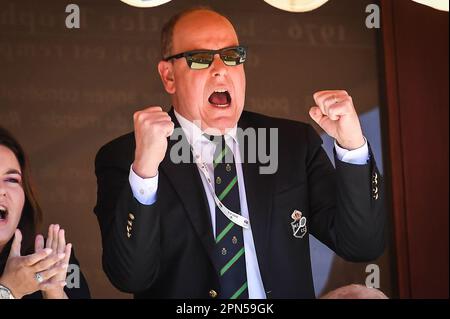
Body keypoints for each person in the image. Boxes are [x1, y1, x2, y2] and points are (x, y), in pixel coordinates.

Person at [94, 8, 385, 299]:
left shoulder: (292, 143)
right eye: (201, 58)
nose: (220, 68)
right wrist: (145, 170)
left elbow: (362, 245)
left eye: (232, 55)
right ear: (168, 76)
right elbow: (129, 276)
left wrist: (352, 147)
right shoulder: (125, 158)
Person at [0, 127, 90, 299]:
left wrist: (55, 294)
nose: (1, 189)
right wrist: (8, 291)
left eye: (12, 179)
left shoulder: (53, 258)